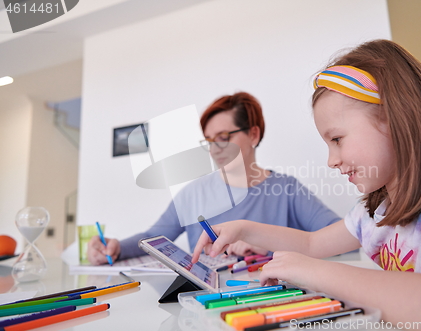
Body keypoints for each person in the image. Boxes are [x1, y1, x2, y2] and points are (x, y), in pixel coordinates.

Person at [192, 40, 421, 328]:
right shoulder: (377, 211)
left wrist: (314, 272)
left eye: (337, 139)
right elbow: (313, 244)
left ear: (395, 118)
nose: (331, 160)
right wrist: (244, 228)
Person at [87, 92, 341, 265]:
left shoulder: (286, 190)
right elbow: (154, 237)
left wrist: (269, 249)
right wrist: (116, 247)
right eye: (208, 141)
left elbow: (346, 240)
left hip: (271, 305)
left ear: (253, 135)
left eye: (223, 137)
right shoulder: (193, 194)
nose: (214, 149)